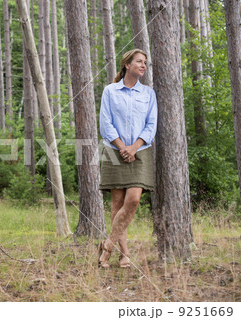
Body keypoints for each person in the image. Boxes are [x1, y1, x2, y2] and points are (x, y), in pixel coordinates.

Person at [98, 49, 157, 268]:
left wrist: (134, 148)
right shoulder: (110, 91)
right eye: (139, 62)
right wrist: (123, 148)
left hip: (140, 151)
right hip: (114, 150)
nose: (143, 65)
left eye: (145, 62)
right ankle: (124, 255)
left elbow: (151, 125)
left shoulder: (148, 94)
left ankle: (106, 247)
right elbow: (106, 124)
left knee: (133, 200)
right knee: (116, 203)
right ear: (127, 65)